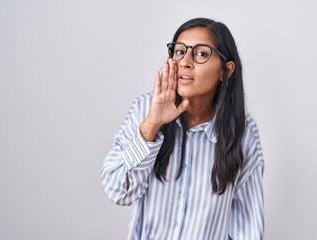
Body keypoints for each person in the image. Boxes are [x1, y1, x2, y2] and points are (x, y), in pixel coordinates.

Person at [101, 17, 264, 240]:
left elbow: (248, 227)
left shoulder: (243, 131)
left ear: (225, 71)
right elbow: (117, 192)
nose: (185, 61)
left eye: (201, 54)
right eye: (179, 52)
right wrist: (152, 125)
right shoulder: (145, 110)